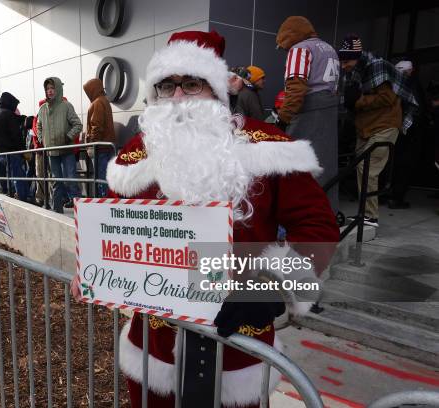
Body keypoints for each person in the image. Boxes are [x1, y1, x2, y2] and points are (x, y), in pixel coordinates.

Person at [72, 30, 339, 408]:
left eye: (192, 84)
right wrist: (92, 268)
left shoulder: (268, 147)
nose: (178, 98)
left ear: (215, 91)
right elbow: (111, 226)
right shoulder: (136, 154)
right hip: (154, 349)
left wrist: (269, 289)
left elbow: (318, 227)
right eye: (166, 86)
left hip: (237, 346)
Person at [339, 34, 418, 227]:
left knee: (368, 169)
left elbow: (388, 99)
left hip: (385, 125)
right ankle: (364, 214)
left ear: (357, 57)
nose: (343, 66)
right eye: (341, 61)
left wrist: (358, 101)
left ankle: (370, 217)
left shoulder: (377, 66)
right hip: (366, 127)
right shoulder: (353, 72)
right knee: (360, 168)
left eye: (347, 61)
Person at [275, 16, 340, 212]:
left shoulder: (299, 49)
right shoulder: (329, 49)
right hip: (329, 110)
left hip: (308, 112)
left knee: (296, 166)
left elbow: (296, 89)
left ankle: (297, 216)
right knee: (325, 167)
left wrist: (283, 119)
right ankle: (327, 213)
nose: (285, 51)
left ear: (290, 36)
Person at [36, 77, 83, 213]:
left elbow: (78, 125)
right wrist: (42, 139)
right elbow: (38, 126)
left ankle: (80, 213)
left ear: (58, 89)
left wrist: (68, 137)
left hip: (66, 150)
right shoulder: (42, 109)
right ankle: (57, 212)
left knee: (71, 180)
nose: (49, 91)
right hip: (51, 152)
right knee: (56, 182)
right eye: (47, 89)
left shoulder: (66, 106)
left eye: (52, 89)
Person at [387, 60, 426, 209]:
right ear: (411, 71)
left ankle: (390, 193)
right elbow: (418, 108)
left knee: (394, 162)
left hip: (396, 128)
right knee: (405, 164)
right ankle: (397, 197)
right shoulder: (411, 85)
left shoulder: (393, 84)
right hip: (409, 131)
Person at [0, 92, 29, 201]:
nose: (15, 107)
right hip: (11, 152)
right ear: (10, 103)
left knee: (12, 175)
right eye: (15, 105)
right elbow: (16, 135)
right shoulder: (8, 114)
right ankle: (22, 199)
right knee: (19, 176)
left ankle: (15, 195)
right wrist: (24, 151)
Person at [83, 78, 116, 197]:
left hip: (100, 147)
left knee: (101, 177)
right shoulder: (104, 101)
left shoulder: (97, 103)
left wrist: (92, 144)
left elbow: (96, 126)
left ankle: (103, 201)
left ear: (93, 90)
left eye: (88, 91)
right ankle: (108, 199)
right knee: (107, 177)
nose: (87, 94)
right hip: (107, 146)